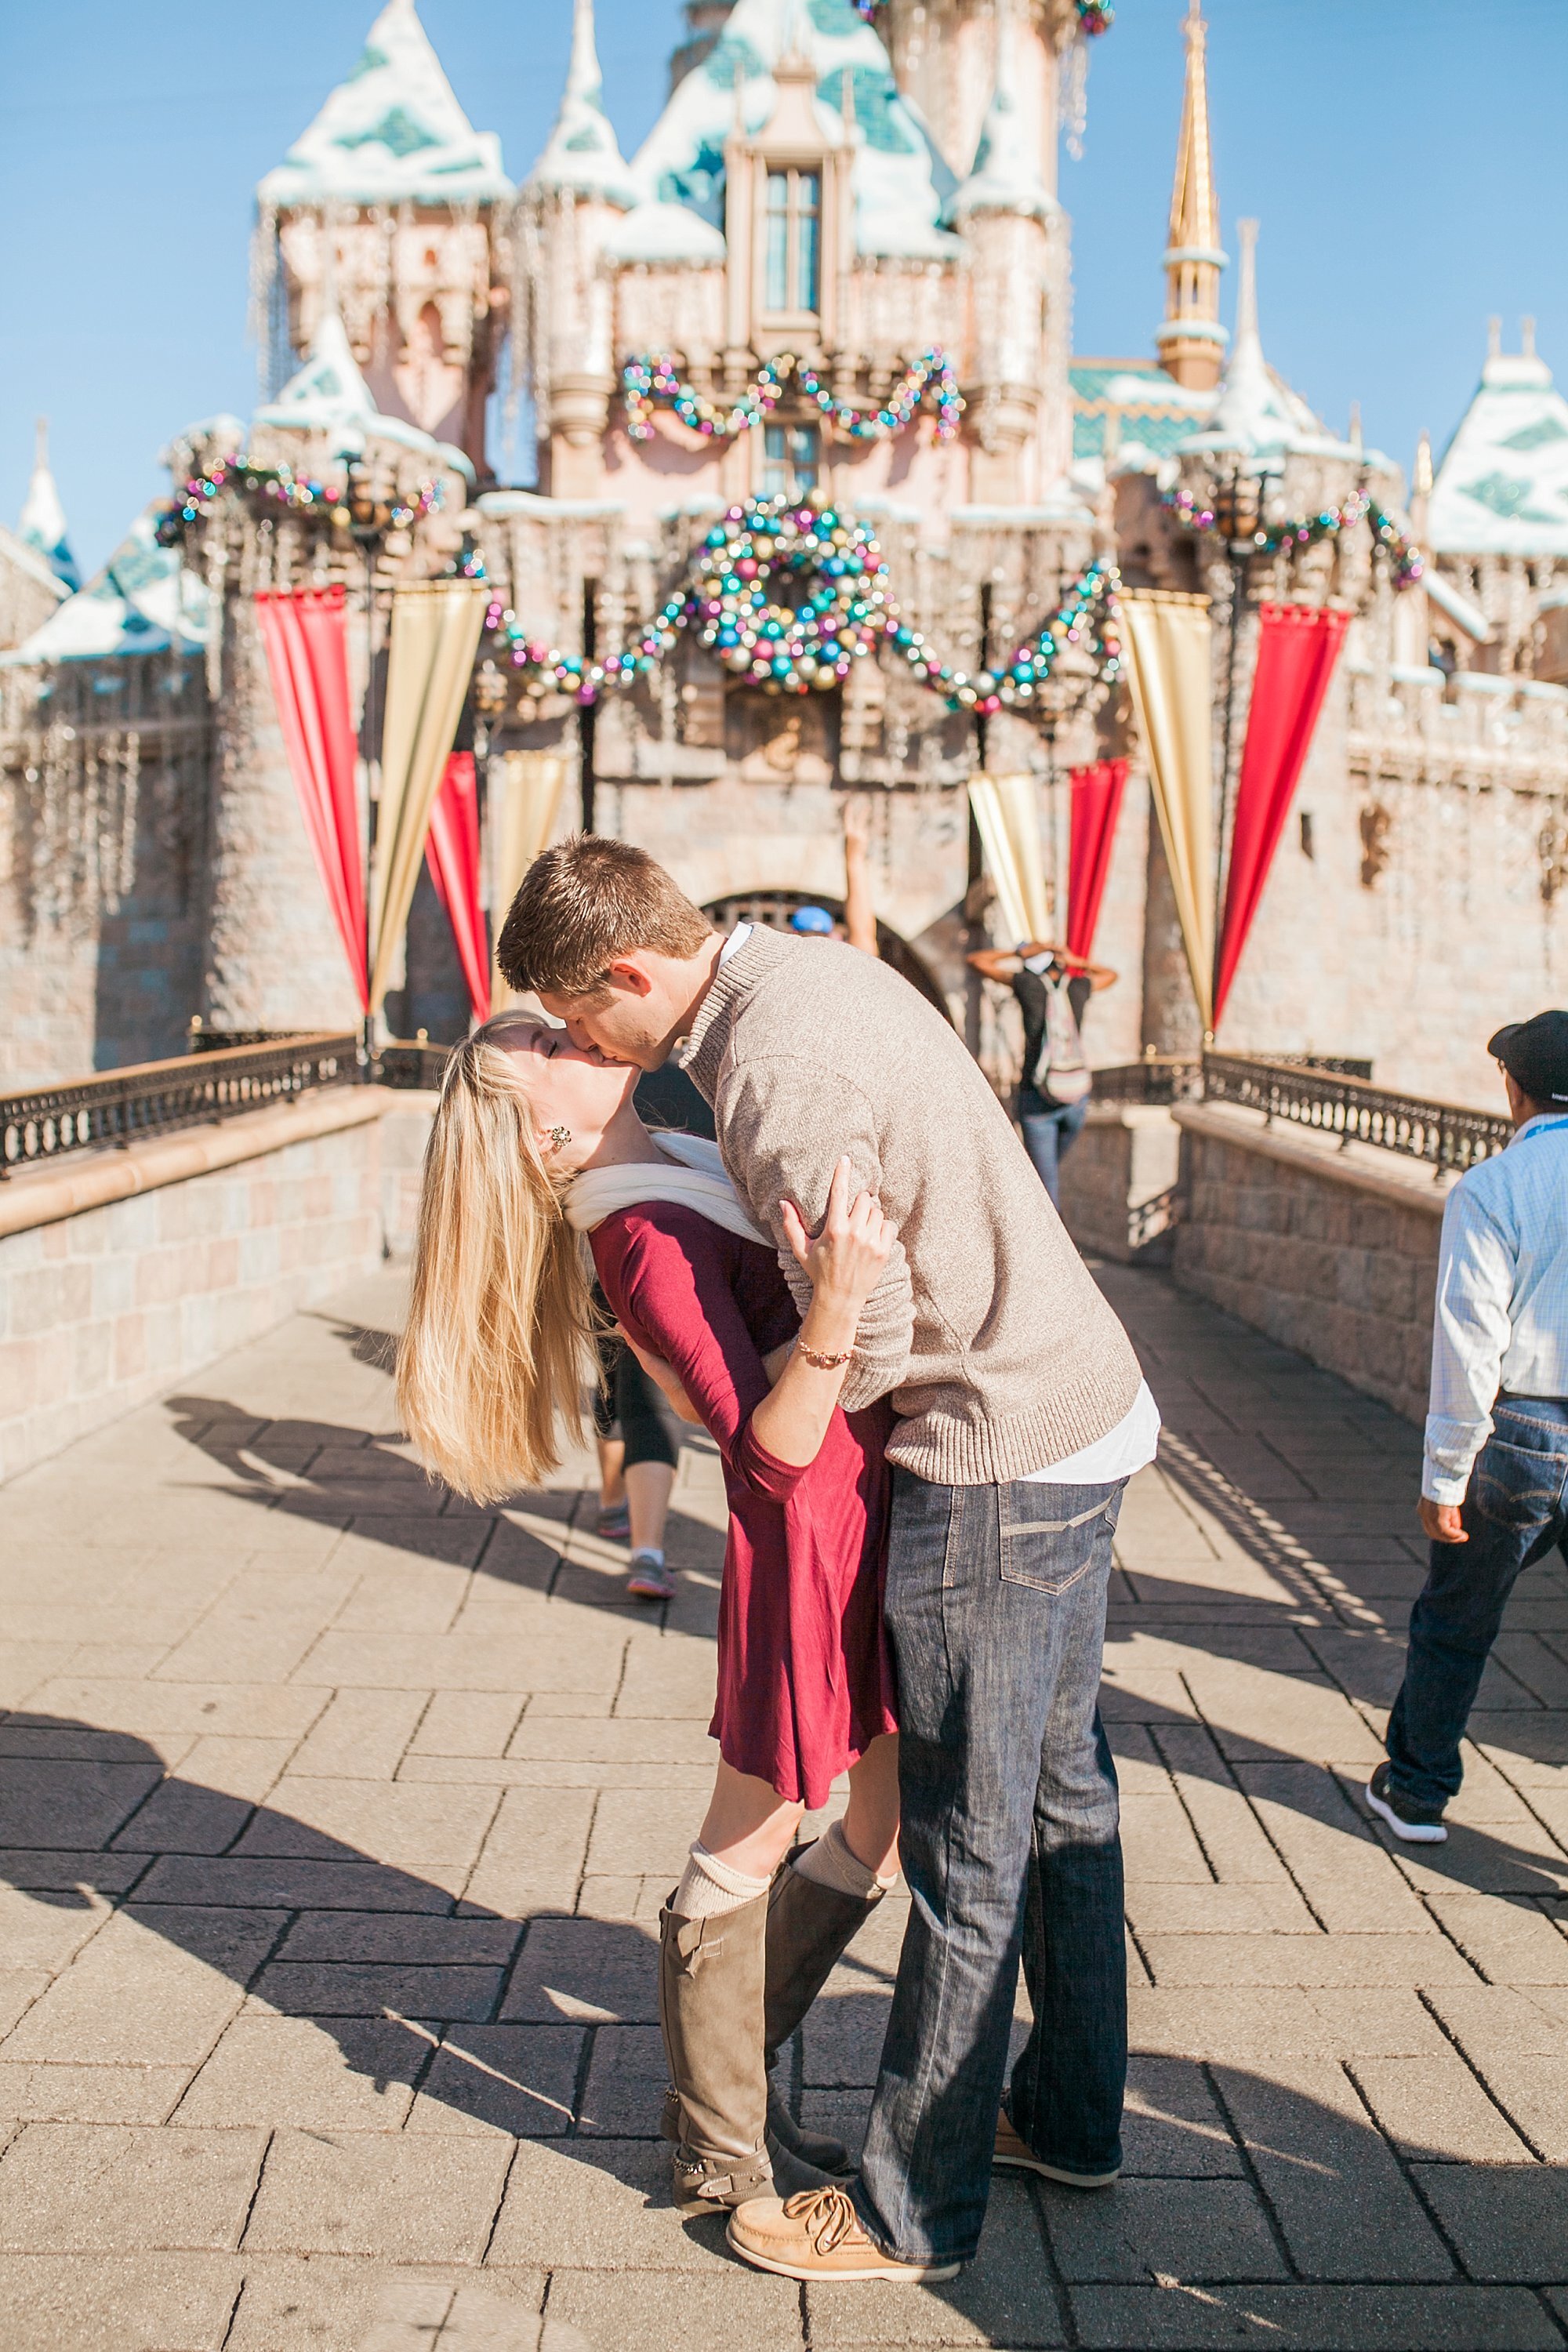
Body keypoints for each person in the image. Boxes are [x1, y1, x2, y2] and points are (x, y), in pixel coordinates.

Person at [496, 836, 1160, 2287]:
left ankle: (908, 2213)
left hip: (991, 1447)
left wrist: (823, 1367)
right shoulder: (800, 973)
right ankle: (1069, 2118)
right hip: (1080, 1399)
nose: (586, 1044)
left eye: (577, 1016)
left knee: (969, 1848)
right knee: (1059, 1801)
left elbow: (894, 1332)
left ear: (627, 972)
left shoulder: (764, 1071)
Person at [395, 1017, 904, 2220]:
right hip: (807, 1540)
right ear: (545, 1134)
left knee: (882, 1821)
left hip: (865, 1517)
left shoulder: (666, 1147)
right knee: (755, 1831)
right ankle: (718, 2145)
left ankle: (738, 2084)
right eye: (538, 1038)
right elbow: (767, 1457)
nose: (564, 1023)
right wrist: (837, 1307)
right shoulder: (635, 1231)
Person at [1368, 1011, 1568, 1845]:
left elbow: (1467, 1341)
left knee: (1455, 1619)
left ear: (1513, 1089)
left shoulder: (1493, 1186)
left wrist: (1442, 1477)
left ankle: (1415, 1792)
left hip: (1519, 1429)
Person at [967, 938, 1119, 1207]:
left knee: (1044, 1188)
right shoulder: (1078, 987)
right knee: (1043, 1180)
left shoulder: (1028, 985)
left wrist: (1016, 952)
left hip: (1037, 1099)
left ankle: (1049, 1245)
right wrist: (1077, 962)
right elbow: (1111, 975)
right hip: (1075, 1098)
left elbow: (977, 961)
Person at [590, 1330, 680, 1598]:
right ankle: (648, 1557)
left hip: (594, 1288)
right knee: (650, 1402)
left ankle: (612, 1505)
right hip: (661, 1290)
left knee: (609, 1367)